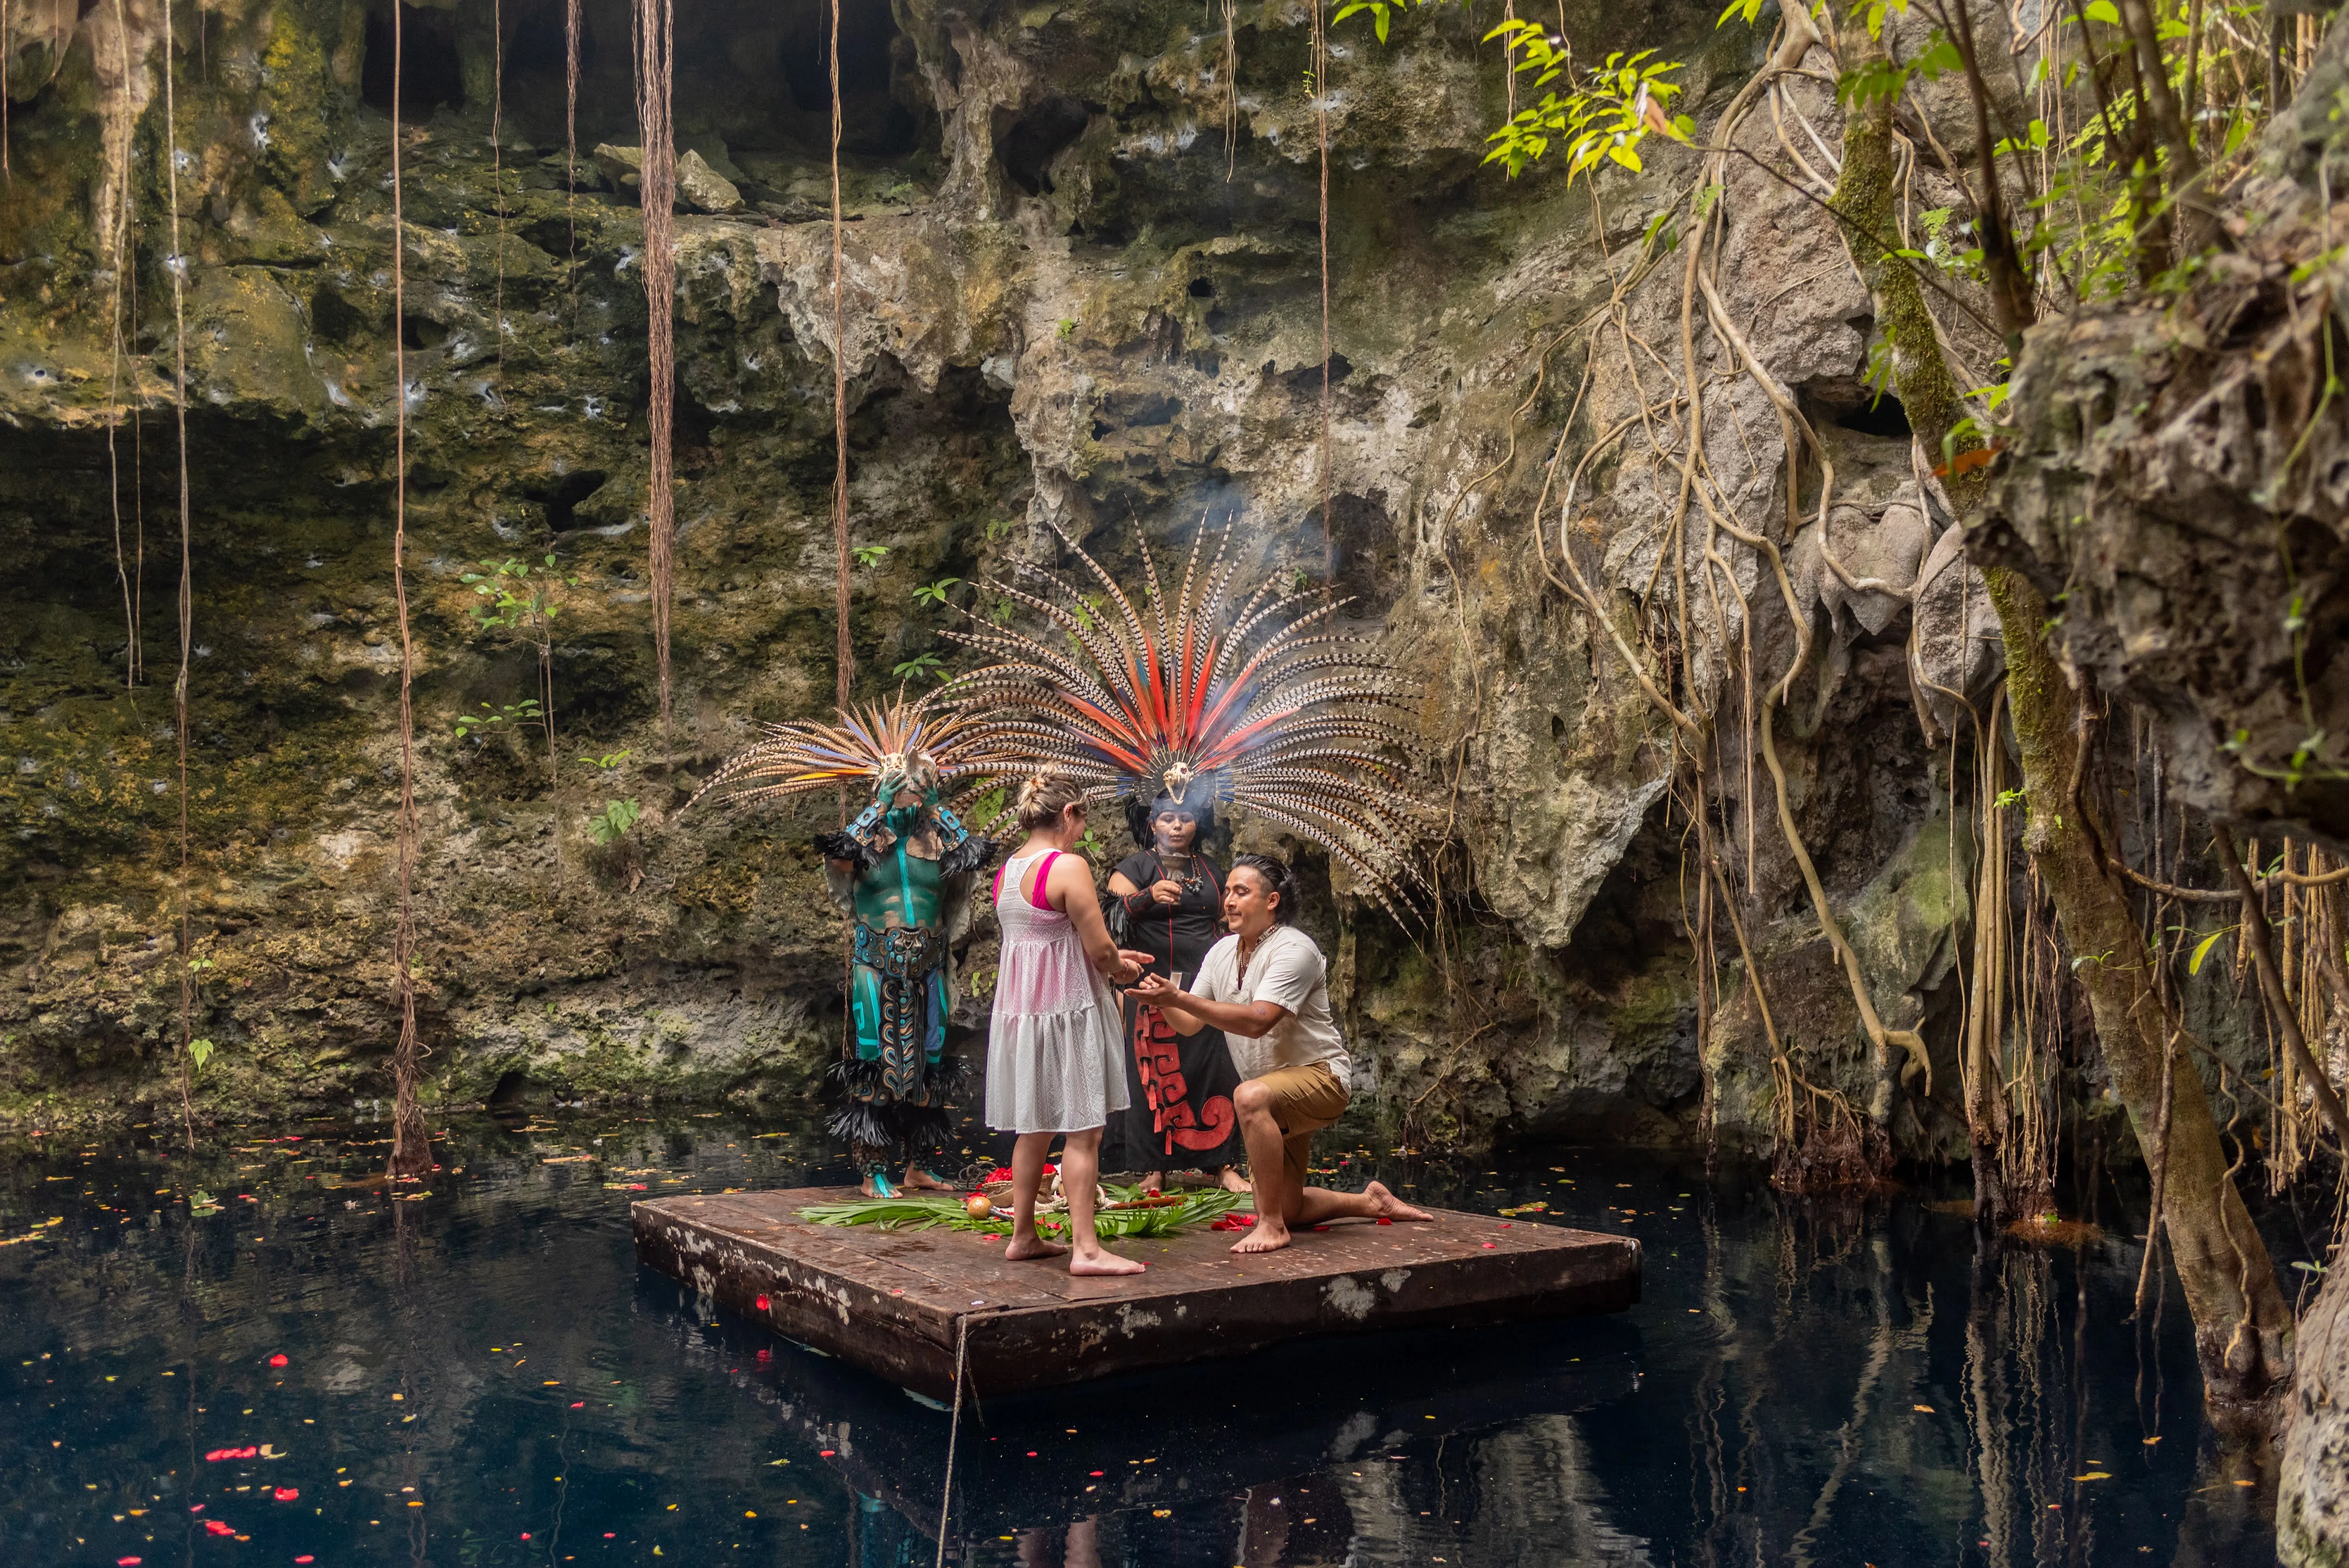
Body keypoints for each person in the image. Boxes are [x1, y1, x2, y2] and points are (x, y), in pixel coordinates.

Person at [1127, 854, 1432, 1253]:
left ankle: (1272, 1228)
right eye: (1228, 892)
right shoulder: (1221, 952)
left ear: (1271, 901)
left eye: (1242, 892)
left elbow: (1258, 1021)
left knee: (1248, 1096)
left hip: (1320, 1078)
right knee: (1289, 1205)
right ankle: (1369, 1202)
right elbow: (1189, 1023)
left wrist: (1180, 997)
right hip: (1272, 1096)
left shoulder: (1295, 949)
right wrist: (1157, 995)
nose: (1230, 902)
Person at [984, 771, 1157, 1277]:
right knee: (1084, 1131)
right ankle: (1085, 1249)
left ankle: (1022, 1236)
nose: (1083, 830)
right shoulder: (1067, 866)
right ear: (1068, 814)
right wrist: (1122, 969)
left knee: (1033, 1128)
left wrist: (1105, 954)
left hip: (1023, 1014)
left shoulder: (1009, 869)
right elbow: (1099, 949)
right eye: (1082, 819)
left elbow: (1048, 938)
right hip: (1067, 1012)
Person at [814, 748, 993, 1197]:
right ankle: (871, 1172)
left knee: (930, 1068)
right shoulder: (863, 846)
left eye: (917, 785)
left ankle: (919, 1167)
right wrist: (877, 808)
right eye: (900, 786)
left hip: (928, 968)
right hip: (876, 966)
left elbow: (974, 857)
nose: (909, 793)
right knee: (876, 1066)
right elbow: (838, 854)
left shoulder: (937, 842)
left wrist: (936, 808)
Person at [1102, 787, 1249, 1190]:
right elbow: (1107, 920)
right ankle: (1155, 1168)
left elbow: (1226, 919)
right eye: (1168, 818)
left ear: (1195, 824)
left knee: (1216, 1068)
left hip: (1205, 984)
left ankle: (1222, 1166)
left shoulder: (1210, 870)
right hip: (1150, 982)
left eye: (1185, 818)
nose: (1177, 825)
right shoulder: (1135, 868)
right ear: (1152, 824)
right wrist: (1145, 898)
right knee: (1152, 1073)